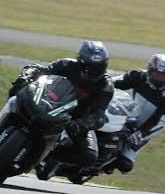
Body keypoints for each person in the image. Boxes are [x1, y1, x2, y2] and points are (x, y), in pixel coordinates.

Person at [9, 40, 113, 175]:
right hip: (46, 102)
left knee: (89, 156)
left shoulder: (106, 86)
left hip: (72, 119)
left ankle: (47, 156)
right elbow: (43, 70)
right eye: (90, 68)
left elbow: (98, 115)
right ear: (81, 63)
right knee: (17, 91)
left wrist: (80, 124)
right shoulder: (66, 64)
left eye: (99, 67)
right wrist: (27, 75)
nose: (95, 72)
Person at [110, 53, 165, 173]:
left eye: (162, 75)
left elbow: (159, 124)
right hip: (125, 117)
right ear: (150, 71)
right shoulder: (138, 76)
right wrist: (101, 84)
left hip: (141, 131)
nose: (159, 78)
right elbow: (113, 82)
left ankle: (103, 167)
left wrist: (140, 135)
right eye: (156, 74)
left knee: (125, 164)